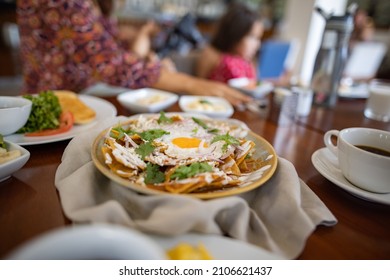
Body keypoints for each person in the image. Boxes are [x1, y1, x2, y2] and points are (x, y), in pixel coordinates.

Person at [16, 0, 251, 107]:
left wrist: (133, 39)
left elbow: (98, 40)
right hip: (52, 105)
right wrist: (190, 84)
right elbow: (107, 62)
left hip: (83, 100)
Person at [196, 3, 263, 87]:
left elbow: (255, 84)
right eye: (252, 37)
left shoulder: (249, 62)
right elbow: (198, 85)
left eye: (258, 38)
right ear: (236, 34)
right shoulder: (213, 54)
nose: (258, 44)